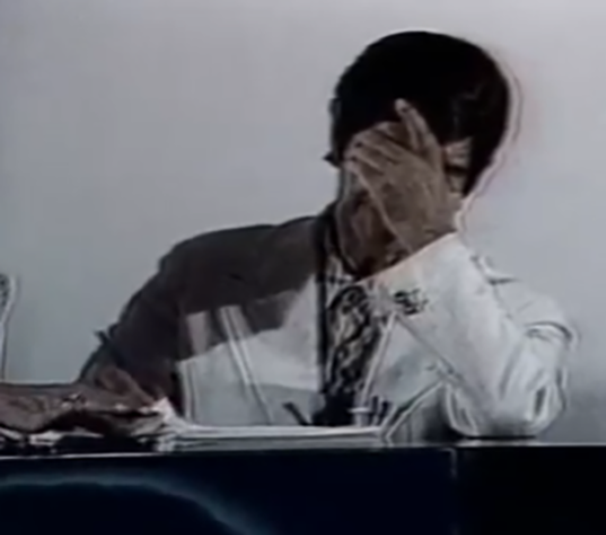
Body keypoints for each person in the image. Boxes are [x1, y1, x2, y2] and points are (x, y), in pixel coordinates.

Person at [0, 31, 575, 442]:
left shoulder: (518, 317)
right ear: (340, 146)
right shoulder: (202, 274)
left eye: (438, 178)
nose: (401, 201)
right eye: (387, 169)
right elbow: (104, 415)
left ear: (470, 183)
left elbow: (509, 414)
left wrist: (427, 242)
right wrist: (76, 408)